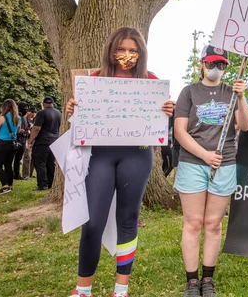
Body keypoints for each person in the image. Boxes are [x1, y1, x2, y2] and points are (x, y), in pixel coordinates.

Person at [65, 27, 174, 297]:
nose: (127, 55)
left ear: (141, 53)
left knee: (128, 218)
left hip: (136, 154)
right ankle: (83, 290)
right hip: (100, 155)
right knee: (93, 222)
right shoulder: (92, 80)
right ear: (111, 51)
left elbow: (159, 122)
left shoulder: (151, 80)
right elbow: (79, 122)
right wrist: (72, 110)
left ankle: (121, 289)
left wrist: (167, 112)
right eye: (121, 49)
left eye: (133, 50)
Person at [174, 45, 248, 297]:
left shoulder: (231, 92)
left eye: (221, 65)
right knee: (194, 223)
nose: (216, 69)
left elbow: (245, 125)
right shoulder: (189, 92)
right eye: (212, 63)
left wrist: (241, 98)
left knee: (214, 224)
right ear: (202, 63)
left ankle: (208, 280)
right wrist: (205, 155)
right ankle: (192, 282)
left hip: (225, 163)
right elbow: (179, 132)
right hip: (193, 163)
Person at [27, 96, 62, 191]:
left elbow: (36, 128)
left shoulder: (41, 113)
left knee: (40, 163)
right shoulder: (58, 113)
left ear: (43, 104)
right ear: (53, 103)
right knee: (51, 163)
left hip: (42, 142)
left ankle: (42, 184)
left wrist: (30, 141)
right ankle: (51, 183)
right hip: (55, 141)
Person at [0, 99, 21, 195]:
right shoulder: (18, 118)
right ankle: (10, 185)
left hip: (3, 143)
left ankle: (5, 185)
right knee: (8, 165)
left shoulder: (2, 118)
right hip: (12, 144)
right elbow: (18, 130)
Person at [13, 101, 31, 180]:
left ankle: (17, 174)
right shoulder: (17, 117)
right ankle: (14, 173)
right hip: (17, 139)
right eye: (25, 109)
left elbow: (27, 126)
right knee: (14, 158)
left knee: (18, 159)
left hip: (23, 140)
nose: (26, 110)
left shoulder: (25, 117)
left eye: (27, 109)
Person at [22, 106, 37, 179]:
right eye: (32, 112)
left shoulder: (35, 119)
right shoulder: (24, 119)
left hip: (33, 138)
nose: (33, 114)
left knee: (33, 157)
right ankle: (25, 174)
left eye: (34, 113)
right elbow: (23, 129)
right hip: (27, 138)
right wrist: (29, 127)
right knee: (27, 156)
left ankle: (30, 173)